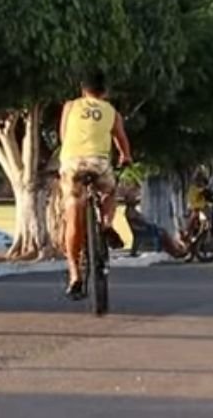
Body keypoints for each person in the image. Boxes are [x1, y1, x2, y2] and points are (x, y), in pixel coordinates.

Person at [58, 70, 132, 299]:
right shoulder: (112, 112)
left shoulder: (70, 106)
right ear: (105, 92)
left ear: (83, 89)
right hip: (98, 163)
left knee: (73, 216)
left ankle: (74, 275)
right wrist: (125, 157)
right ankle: (107, 223)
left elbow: (63, 136)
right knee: (110, 190)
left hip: (72, 163)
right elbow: (121, 142)